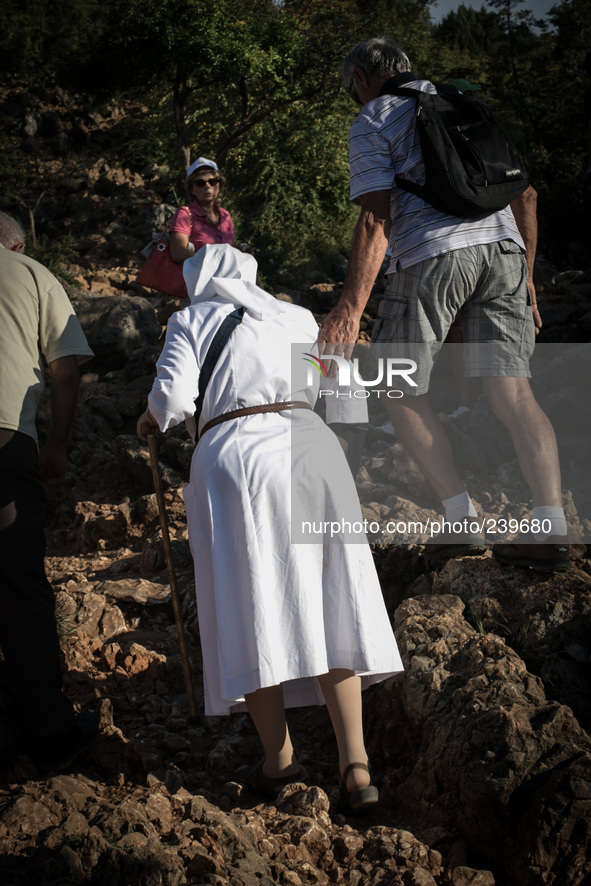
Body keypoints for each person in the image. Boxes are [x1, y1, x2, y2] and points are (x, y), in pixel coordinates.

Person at [137, 243, 403, 810]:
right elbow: (343, 389)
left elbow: (174, 399)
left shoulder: (190, 319)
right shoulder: (295, 315)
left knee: (249, 599)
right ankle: (356, 768)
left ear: (198, 280)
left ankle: (278, 760)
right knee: (335, 595)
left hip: (235, 460)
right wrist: (341, 444)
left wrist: (150, 418)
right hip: (312, 447)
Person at [319, 36, 569, 573]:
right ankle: (549, 526)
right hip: (503, 251)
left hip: (433, 256)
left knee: (394, 384)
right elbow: (525, 195)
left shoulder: (373, 119)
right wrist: (525, 277)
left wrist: (349, 308)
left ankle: (460, 517)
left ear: (362, 77)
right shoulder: (461, 101)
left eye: (350, 89)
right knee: (514, 395)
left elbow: (374, 219)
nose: (353, 97)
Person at [0, 211, 98, 770]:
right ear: (16, 244)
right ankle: (50, 731)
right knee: (19, 586)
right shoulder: (34, 274)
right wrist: (55, 446)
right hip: (7, 442)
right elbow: (64, 370)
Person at [168, 157, 238, 264]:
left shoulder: (225, 215)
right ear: (191, 189)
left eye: (213, 181)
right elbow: (178, 253)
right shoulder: (185, 214)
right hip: (198, 279)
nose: (207, 186)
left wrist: (241, 250)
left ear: (219, 185)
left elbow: (229, 250)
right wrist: (211, 261)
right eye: (200, 183)